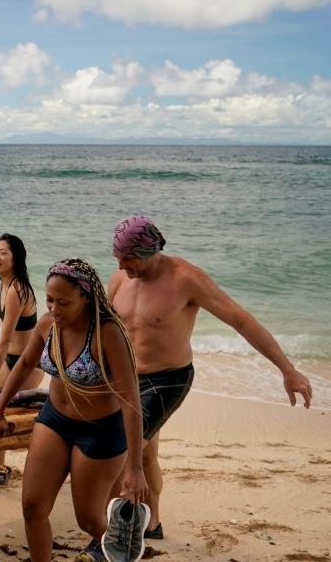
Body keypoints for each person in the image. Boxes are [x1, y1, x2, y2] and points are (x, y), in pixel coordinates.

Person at [107, 215, 313, 540]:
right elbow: (104, 328)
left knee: (122, 453)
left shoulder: (185, 279)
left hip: (167, 380)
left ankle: (118, 535)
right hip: (125, 380)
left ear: (148, 252)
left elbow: (240, 320)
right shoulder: (120, 277)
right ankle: (154, 525)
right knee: (145, 452)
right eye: (117, 257)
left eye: (127, 258)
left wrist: (287, 369)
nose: (121, 264)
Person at [0, 258, 148, 562]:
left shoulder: (108, 333)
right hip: (55, 420)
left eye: (64, 302)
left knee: (89, 520)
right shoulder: (47, 325)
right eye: (49, 300)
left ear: (86, 297)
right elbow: (27, 363)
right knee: (32, 505)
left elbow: (131, 400)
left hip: (101, 430)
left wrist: (135, 466)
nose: (54, 309)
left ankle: (121, 557)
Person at [0, 234, 44, 486]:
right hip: (15, 360)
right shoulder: (5, 284)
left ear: (16, 257)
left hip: (26, 363)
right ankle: (0, 467)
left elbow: (4, 340)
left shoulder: (16, 290)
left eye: (3, 252)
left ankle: (4, 468)